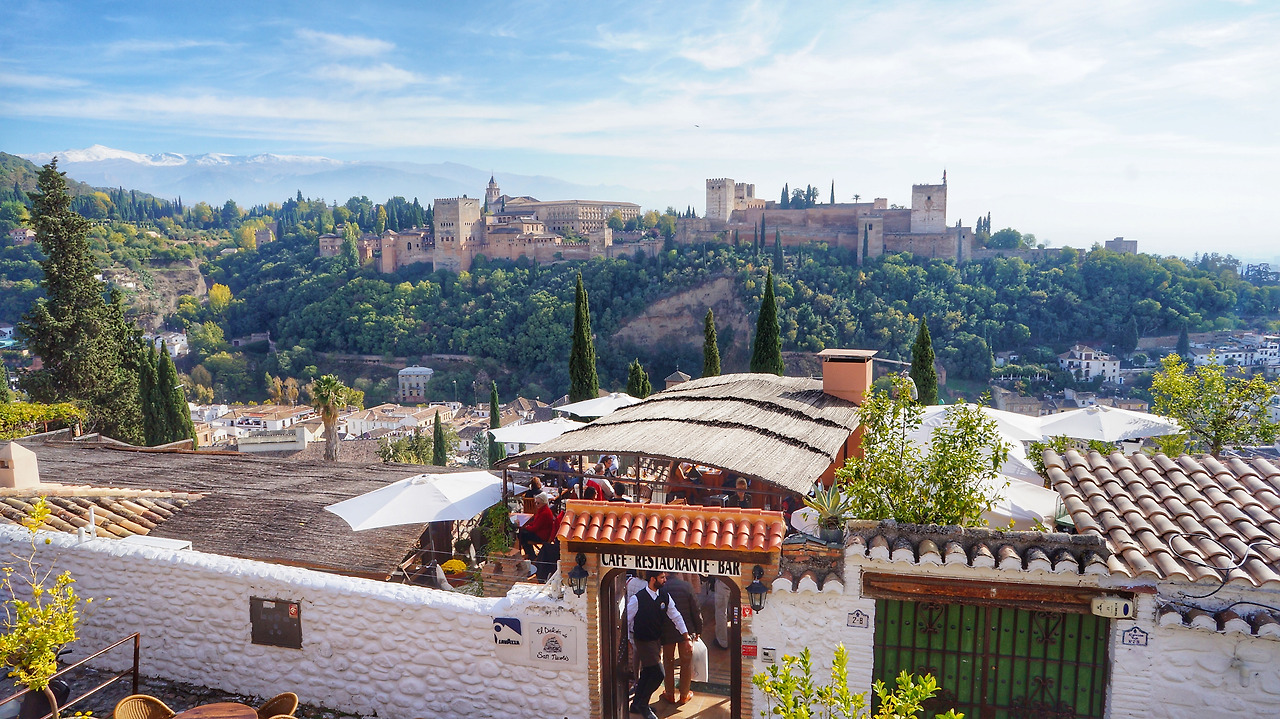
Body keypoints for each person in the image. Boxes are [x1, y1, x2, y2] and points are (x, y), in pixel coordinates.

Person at [627, 571, 689, 719]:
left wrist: (685, 635)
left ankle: (636, 704)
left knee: (648, 672)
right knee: (657, 673)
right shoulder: (638, 599)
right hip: (643, 640)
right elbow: (626, 620)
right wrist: (628, 640)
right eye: (662, 578)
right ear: (653, 579)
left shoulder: (664, 596)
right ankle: (643, 705)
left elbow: (676, 616)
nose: (665, 580)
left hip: (656, 641)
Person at [660, 574, 703, 705]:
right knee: (686, 663)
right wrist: (698, 629)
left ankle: (669, 693)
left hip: (667, 631)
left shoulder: (662, 588)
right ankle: (684, 695)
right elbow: (696, 610)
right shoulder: (687, 587)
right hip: (686, 630)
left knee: (668, 662)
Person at [517, 494, 555, 564]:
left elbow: (534, 528)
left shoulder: (544, 513)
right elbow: (535, 523)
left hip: (541, 536)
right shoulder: (543, 510)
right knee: (522, 533)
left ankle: (531, 556)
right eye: (536, 503)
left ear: (543, 502)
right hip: (541, 532)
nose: (536, 505)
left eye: (538, 503)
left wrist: (525, 527)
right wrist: (527, 526)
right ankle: (530, 554)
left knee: (521, 535)